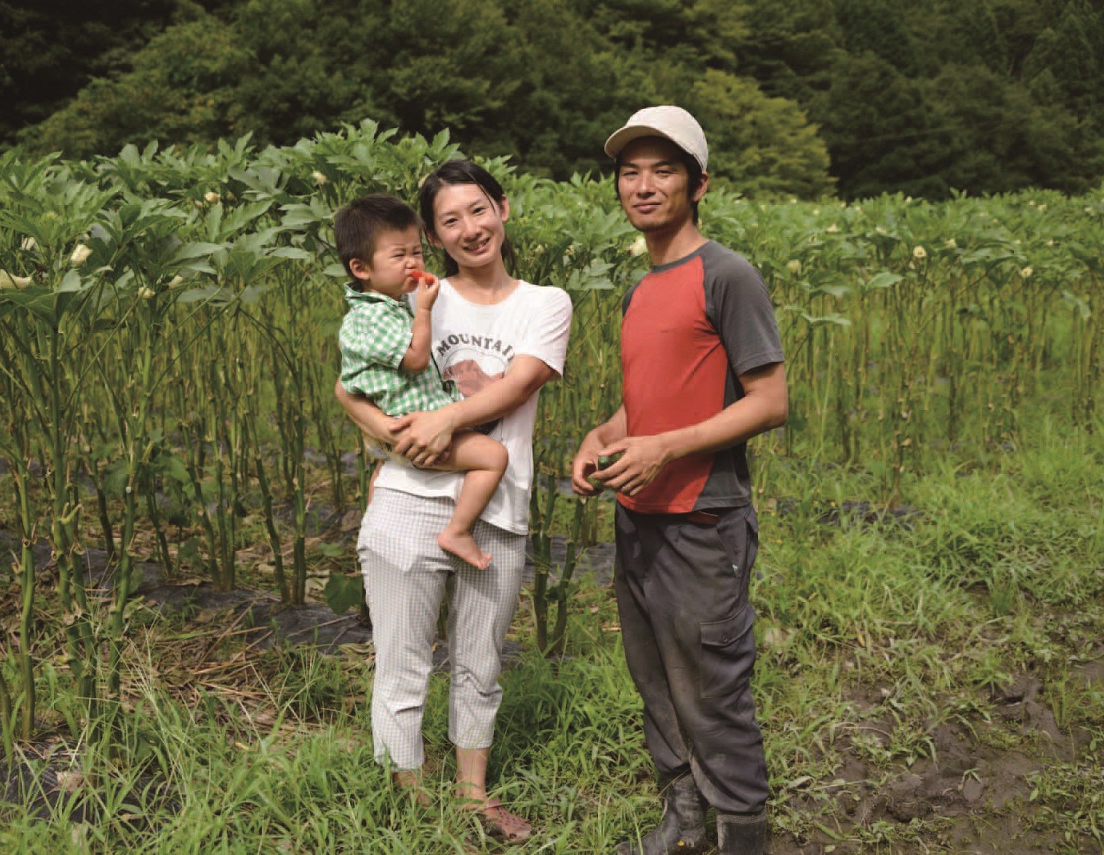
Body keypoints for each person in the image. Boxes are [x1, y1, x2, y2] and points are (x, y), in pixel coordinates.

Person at [571, 106, 788, 855]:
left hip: (703, 517)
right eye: (630, 171)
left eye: (663, 169)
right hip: (639, 516)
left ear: (700, 184)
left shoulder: (727, 275)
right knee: (656, 680)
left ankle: (743, 835)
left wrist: (666, 448)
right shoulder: (643, 288)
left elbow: (769, 399)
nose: (644, 184)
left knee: (712, 689)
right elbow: (648, 397)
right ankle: (684, 819)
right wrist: (602, 438)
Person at [335, 160, 572, 843]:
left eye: (478, 210)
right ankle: (408, 805)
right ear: (432, 237)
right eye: (449, 220)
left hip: (495, 505)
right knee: (401, 664)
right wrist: (387, 434)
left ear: (504, 208)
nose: (470, 228)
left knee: (481, 664)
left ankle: (474, 798)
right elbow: (348, 385)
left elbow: (518, 384)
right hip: (408, 500)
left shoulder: (544, 302)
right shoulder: (409, 293)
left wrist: (440, 422)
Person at [335, 193, 508, 570]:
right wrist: (425, 309)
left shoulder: (388, 306)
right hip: (413, 427)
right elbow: (414, 359)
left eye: (417, 252)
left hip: (407, 425)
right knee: (493, 456)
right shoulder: (372, 317)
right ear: (361, 268)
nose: (413, 263)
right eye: (399, 256)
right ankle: (458, 531)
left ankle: (377, 521)